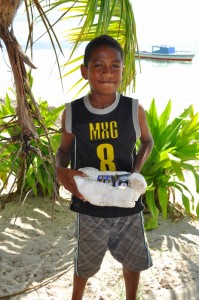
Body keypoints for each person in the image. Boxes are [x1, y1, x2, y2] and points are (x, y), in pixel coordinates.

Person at [56, 35, 154, 300]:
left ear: (124, 70)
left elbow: (147, 141)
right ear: (84, 71)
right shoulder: (73, 112)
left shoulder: (134, 109)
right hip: (89, 206)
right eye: (98, 65)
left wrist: (135, 170)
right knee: (85, 264)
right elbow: (64, 150)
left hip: (127, 204)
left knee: (133, 261)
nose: (107, 72)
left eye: (115, 66)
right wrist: (60, 171)